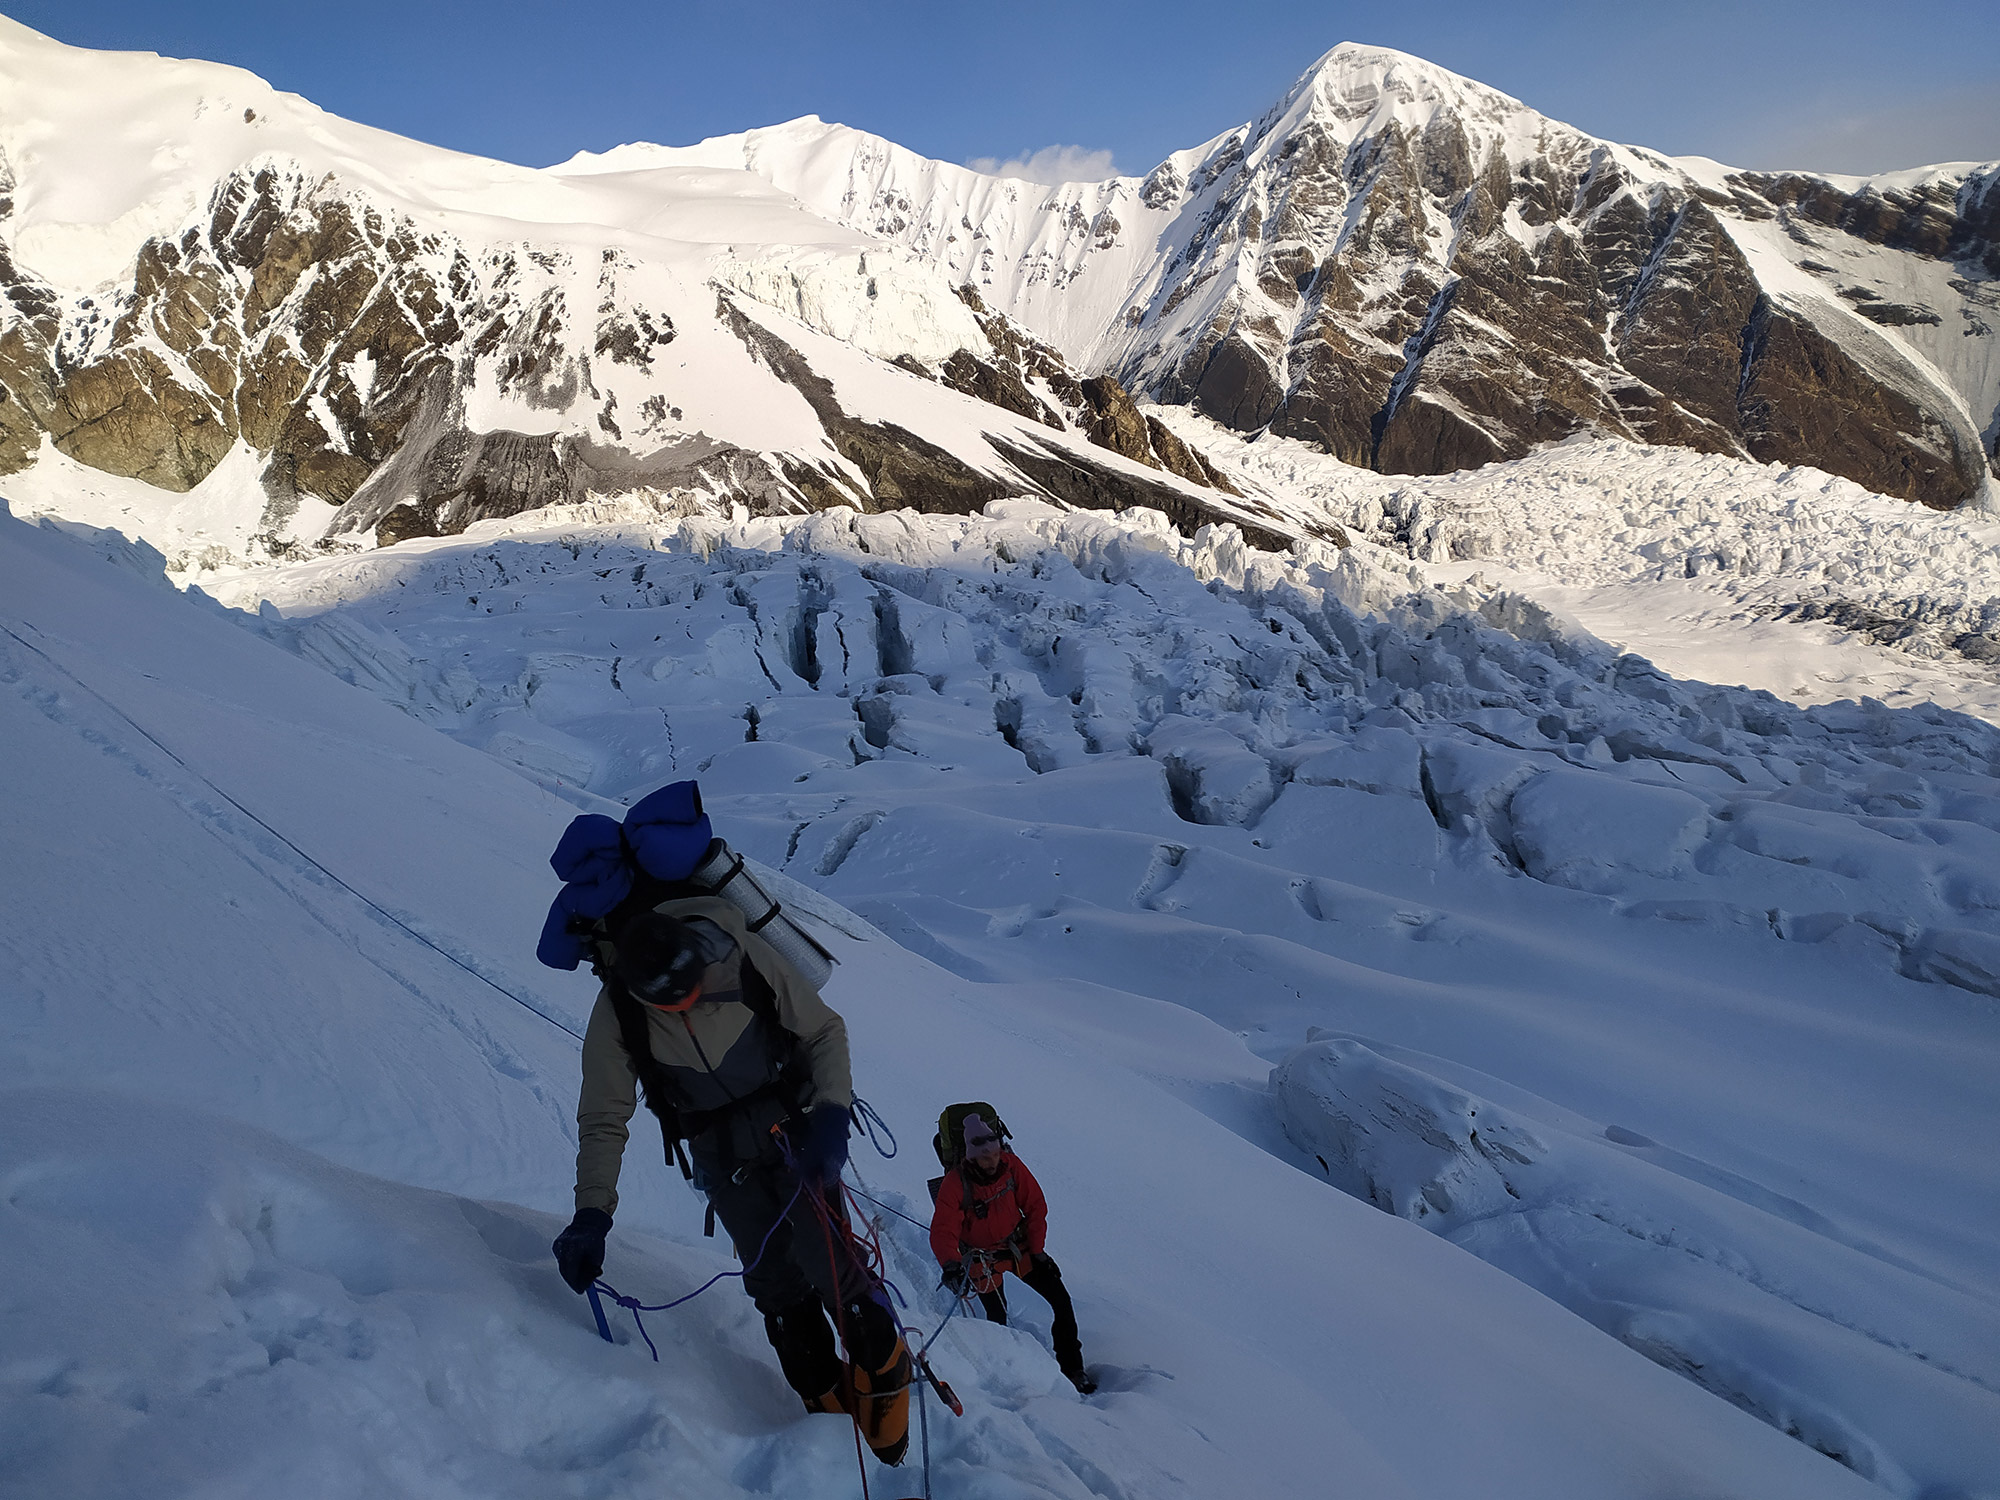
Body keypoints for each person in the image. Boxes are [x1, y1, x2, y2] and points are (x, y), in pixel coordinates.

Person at [549, 893, 912, 1464]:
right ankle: (827, 1414)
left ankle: (886, 1383)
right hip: (721, 1156)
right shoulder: (618, 1009)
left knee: (830, 1264)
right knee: (775, 1289)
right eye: (669, 1002)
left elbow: (823, 1029)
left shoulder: (741, 953)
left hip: (793, 1127)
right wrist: (592, 1213)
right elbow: (603, 1116)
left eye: (691, 990)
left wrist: (832, 1113)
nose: (686, 1004)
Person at [928, 1111, 1095, 1394]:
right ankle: (1013, 1377)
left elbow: (1035, 1205)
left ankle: (1073, 1369)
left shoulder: (1011, 1165)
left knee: (1061, 1302)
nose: (993, 1161)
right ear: (970, 1157)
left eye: (995, 1154)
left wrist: (1038, 1251)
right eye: (985, 1157)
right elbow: (944, 1229)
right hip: (981, 1259)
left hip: (1019, 1249)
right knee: (997, 1318)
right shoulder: (955, 1183)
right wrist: (951, 1264)